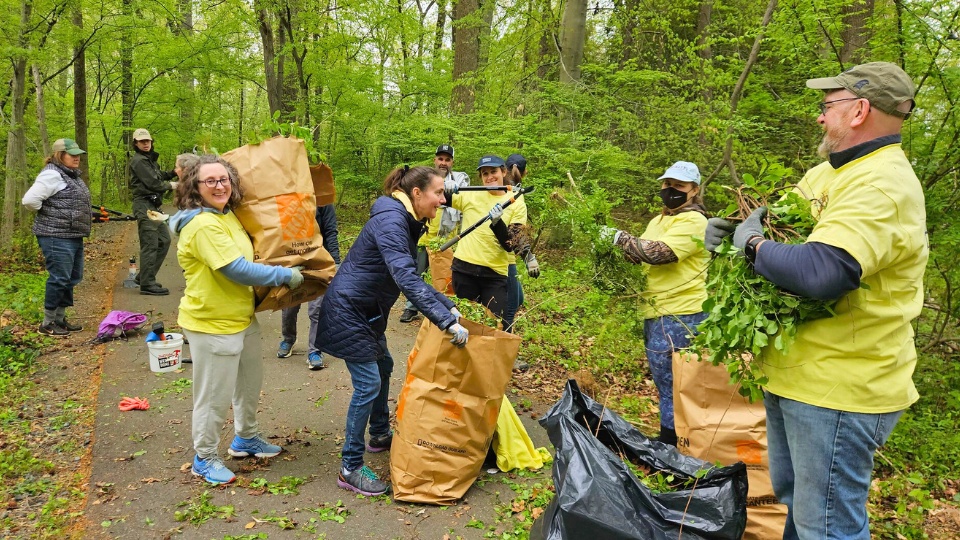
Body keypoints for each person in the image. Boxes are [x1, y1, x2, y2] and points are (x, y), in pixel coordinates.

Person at [705, 62, 926, 540]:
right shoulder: (827, 173)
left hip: (841, 387)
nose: (820, 118)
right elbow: (782, 232)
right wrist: (733, 231)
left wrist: (751, 246)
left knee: (827, 526)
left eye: (828, 107)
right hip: (800, 377)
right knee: (799, 509)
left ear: (860, 110)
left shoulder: (882, 183)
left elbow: (822, 272)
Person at [314, 165, 468, 496]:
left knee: (384, 366)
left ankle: (380, 433)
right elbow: (405, 277)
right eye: (438, 192)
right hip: (349, 310)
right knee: (368, 383)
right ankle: (350, 467)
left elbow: (409, 272)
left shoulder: (404, 218)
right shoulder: (392, 221)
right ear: (417, 193)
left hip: (365, 310)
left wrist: (447, 304)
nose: (444, 199)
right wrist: (445, 320)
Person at [169, 154, 305, 485]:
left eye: (224, 179)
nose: (219, 186)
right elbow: (235, 269)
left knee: (248, 385)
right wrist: (283, 275)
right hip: (211, 323)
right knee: (213, 395)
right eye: (210, 181)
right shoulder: (202, 224)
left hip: (241, 318)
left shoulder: (226, 215)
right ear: (194, 187)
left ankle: (246, 438)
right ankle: (205, 457)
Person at [601, 161, 709, 446]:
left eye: (679, 186)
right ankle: (671, 442)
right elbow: (639, 254)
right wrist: (608, 248)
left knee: (678, 385)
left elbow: (659, 253)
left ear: (694, 190)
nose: (671, 190)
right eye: (667, 184)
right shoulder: (659, 221)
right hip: (656, 311)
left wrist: (619, 237)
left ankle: (675, 448)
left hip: (681, 313)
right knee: (665, 384)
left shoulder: (695, 222)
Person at [21, 138, 91, 336]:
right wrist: (50, 215)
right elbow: (30, 200)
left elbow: (70, 203)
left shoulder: (70, 175)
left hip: (72, 234)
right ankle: (47, 323)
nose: (77, 158)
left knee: (72, 277)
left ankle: (60, 319)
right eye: (72, 154)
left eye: (78, 154)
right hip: (55, 235)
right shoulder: (52, 174)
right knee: (60, 278)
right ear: (60, 155)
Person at [446, 155, 527, 324]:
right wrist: (443, 186)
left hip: (495, 275)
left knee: (492, 325)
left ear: (504, 171)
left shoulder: (516, 200)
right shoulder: (471, 194)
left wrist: (498, 223)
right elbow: (437, 198)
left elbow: (510, 244)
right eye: (485, 173)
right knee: (463, 322)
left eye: (493, 171)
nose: (489, 176)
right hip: (464, 270)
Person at [399, 144, 470, 323]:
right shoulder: (425, 179)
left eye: (447, 159)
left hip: (443, 240)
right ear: (435, 160)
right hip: (422, 237)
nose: (443, 163)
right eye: (440, 159)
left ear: (452, 162)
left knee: (444, 280)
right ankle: (411, 307)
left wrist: (451, 188)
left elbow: (466, 193)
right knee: (416, 274)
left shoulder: (460, 180)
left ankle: (443, 313)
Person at [277, 203, 341, 370]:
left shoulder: (324, 201)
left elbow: (331, 232)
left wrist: (336, 264)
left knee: (317, 309)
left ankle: (315, 350)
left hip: (319, 262)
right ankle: (288, 339)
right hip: (293, 262)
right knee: (289, 306)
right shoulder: (289, 199)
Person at [129, 128, 177, 296]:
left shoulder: (149, 160)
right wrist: (173, 185)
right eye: (142, 141)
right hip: (144, 205)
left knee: (164, 240)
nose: (146, 144)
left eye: (148, 141)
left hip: (153, 206)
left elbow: (158, 176)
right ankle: (147, 284)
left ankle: (144, 277)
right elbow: (153, 183)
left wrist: (172, 174)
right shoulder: (139, 161)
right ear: (135, 143)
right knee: (150, 243)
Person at [501, 153, 541, 335]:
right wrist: (529, 258)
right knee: (509, 308)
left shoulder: (498, 189)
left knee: (517, 299)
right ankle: (503, 353)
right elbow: (515, 231)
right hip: (503, 259)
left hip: (502, 256)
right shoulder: (516, 195)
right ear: (525, 173)